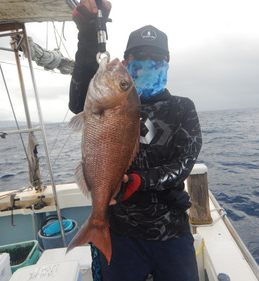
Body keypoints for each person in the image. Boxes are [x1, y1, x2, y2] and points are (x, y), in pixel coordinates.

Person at [69, 1, 203, 280]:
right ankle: (97, 227)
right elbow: (79, 95)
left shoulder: (182, 108)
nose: (148, 60)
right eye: (140, 54)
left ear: (167, 62)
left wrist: (144, 181)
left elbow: (185, 161)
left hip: (172, 232)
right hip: (120, 233)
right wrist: (87, 34)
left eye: (156, 56)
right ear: (127, 61)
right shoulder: (114, 100)